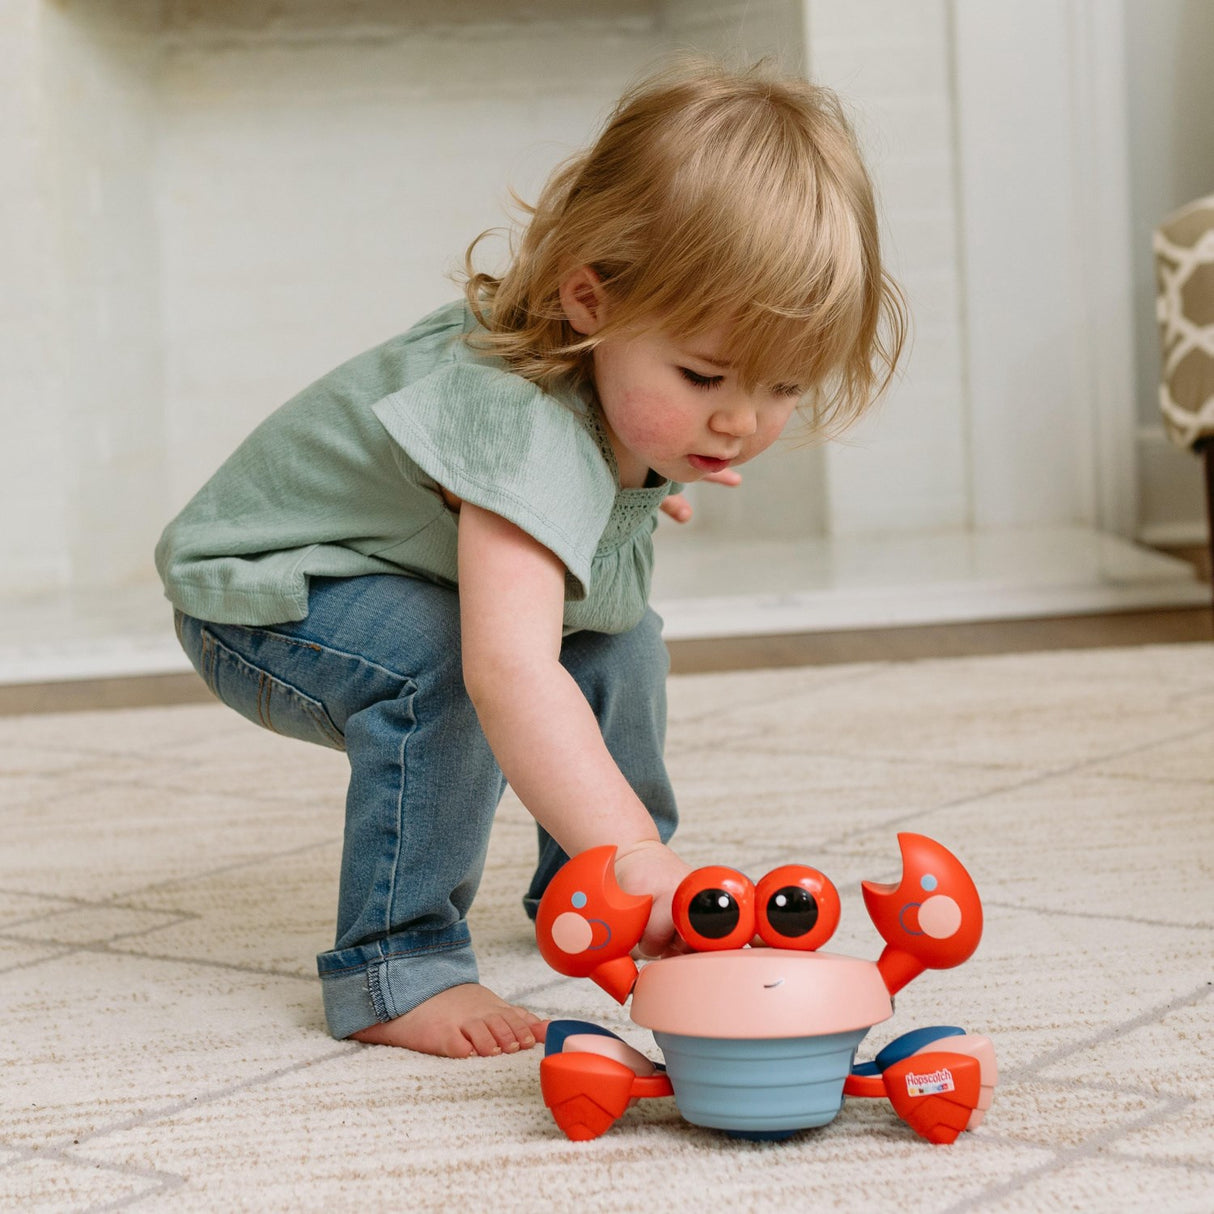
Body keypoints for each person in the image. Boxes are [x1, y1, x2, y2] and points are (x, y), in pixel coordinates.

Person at [155, 56, 906, 1059]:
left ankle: (588, 893)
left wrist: (643, 475)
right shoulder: (518, 427)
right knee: (450, 669)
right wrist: (635, 849)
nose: (738, 419)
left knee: (617, 641)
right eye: (703, 376)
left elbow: (593, 475)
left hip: (377, 563)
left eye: (783, 388)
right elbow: (507, 669)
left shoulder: (605, 383)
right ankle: (396, 963)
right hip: (261, 596)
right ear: (588, 301)